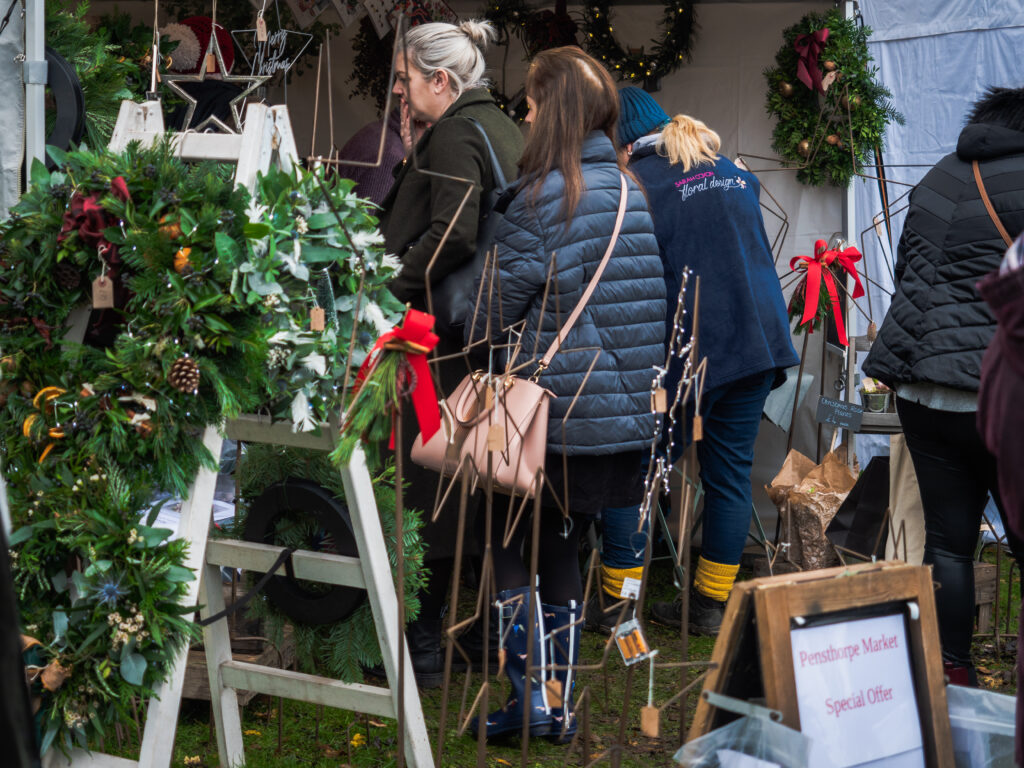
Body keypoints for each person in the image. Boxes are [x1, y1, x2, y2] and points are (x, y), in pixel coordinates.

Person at [467, 48, 666, 742]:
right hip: (612, 422)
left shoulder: (544, 197)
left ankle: (531, 702)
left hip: (549, 417)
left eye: (528, 101)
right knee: (561, 551)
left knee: (511, 549)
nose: (521, 112)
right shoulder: (631, 192)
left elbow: (486, 315)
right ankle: (556, 701)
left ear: (551, 111)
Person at [611, 89, 798, 637]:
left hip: (689, 347)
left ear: (622, 140)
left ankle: (620, 606)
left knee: (634, 475)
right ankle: (711, 605)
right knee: (730, 477)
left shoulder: (638, 184)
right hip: (755, 343)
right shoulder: (731, 172)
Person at [376, 19, 524, 688]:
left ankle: (425, 647)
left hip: (447, 336)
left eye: (406, 82)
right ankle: (482, 637)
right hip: (488, 330)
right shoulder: (501, 124)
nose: (401, 96)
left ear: (442, 80)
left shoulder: (461, 130)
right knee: (479, 484)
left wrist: (389, 281)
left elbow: (454, 232)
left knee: (430, 483)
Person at [863, 86, 1024, 687]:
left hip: (922, 388)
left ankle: (952, 674)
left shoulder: (937, 176)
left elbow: (909, 273)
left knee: (949, 543)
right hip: (998, 390)